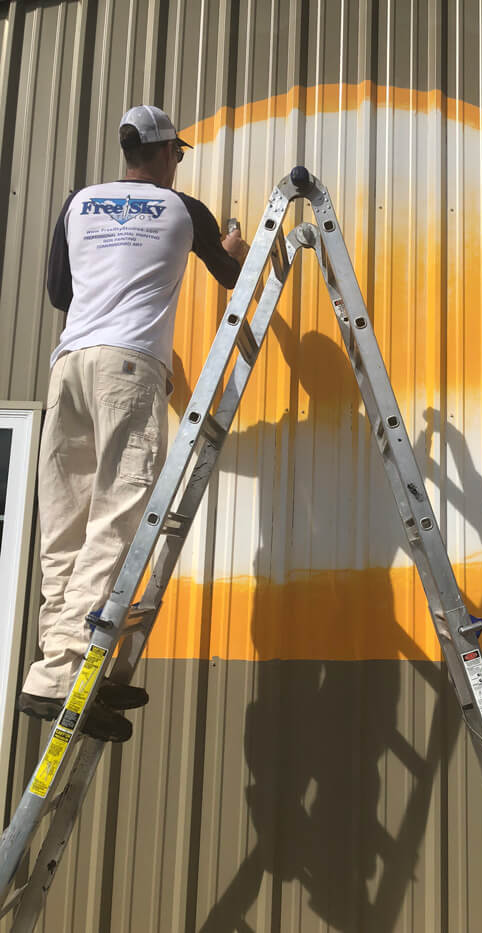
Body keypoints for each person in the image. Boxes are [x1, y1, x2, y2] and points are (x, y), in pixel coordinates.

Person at [17, 105, 249, 742]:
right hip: (129, 369)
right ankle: (71, 672)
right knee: (117, 516)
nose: (179, 161)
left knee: (64, 522)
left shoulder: (79, 202)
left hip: (69, 366)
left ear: (127, 151)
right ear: (168, 152)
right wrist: (232, 249)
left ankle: (54, 669)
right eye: (179, 152)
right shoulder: (184, 210)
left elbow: (61, 295)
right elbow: (232, 277)